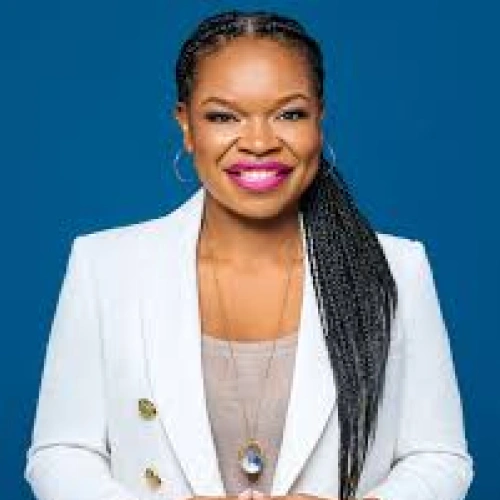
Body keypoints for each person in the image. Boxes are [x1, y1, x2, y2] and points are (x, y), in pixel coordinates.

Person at [24, 9, 474, 500]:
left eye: (289, 114)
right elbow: (60, 453)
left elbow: (439, 457)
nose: (259, 143)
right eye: (223, 116)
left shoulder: (396, 268)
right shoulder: (105, 267)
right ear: (186, 126)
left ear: (319, 120)